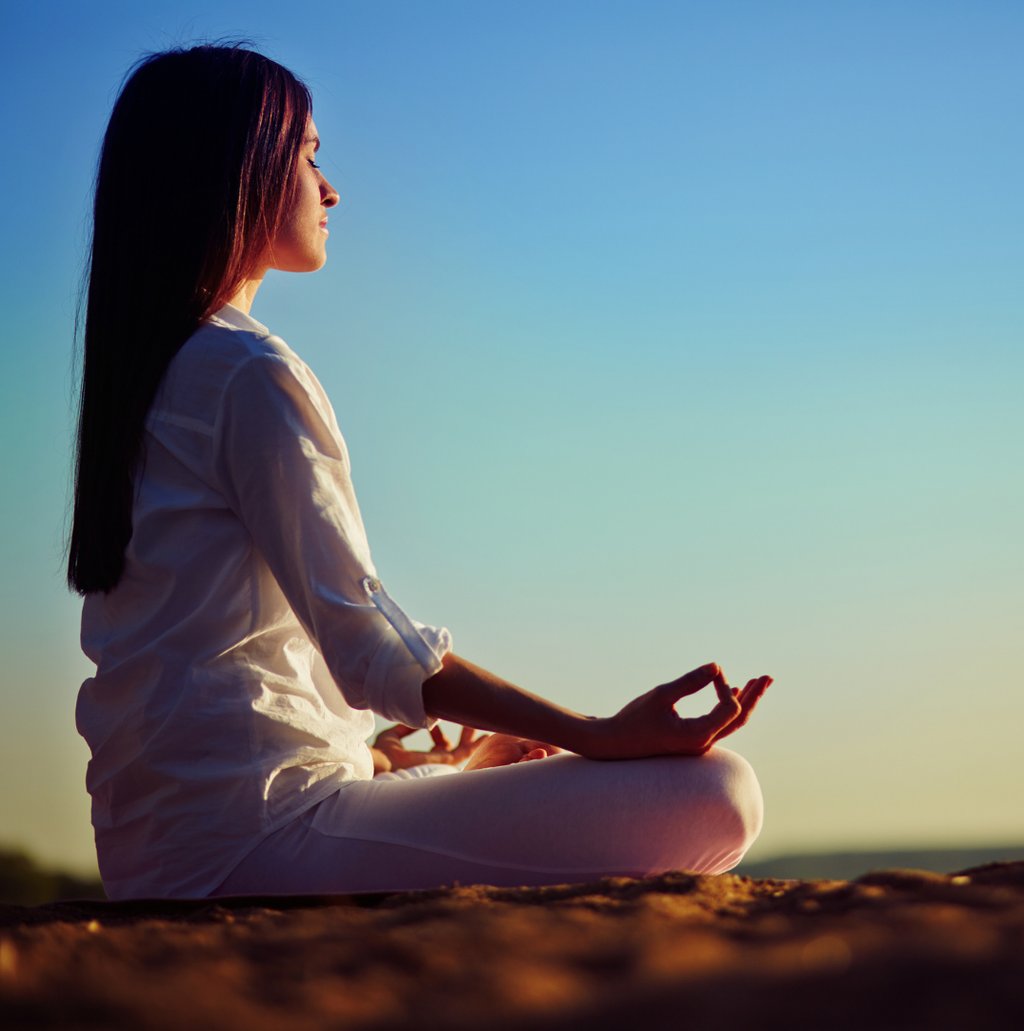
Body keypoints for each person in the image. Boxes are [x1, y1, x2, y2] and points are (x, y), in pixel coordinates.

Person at [68, 43, 772, 901]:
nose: (330, 189)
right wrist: (598, 733)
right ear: (237, 167)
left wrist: (398, 756)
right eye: (310, 155)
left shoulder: (151, 378)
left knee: (470, 771)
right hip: (255, 840)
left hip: (167, 845)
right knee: (720, 794)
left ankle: (426, 772)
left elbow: (222, 668)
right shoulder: (246, 372)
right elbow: (365, 640)